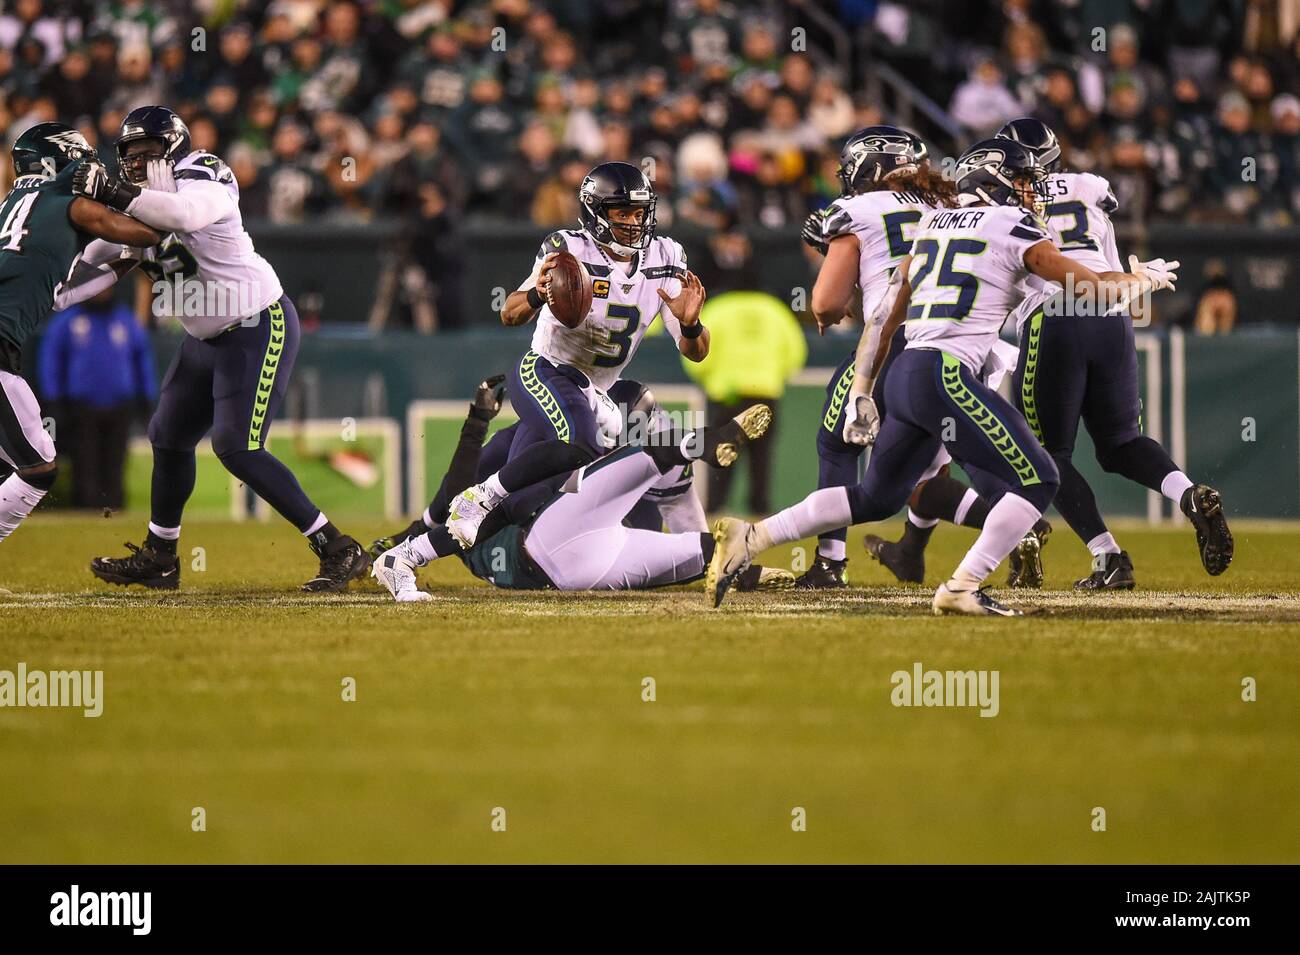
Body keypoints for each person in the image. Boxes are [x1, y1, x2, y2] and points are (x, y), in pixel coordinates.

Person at [707, 138, 1180, 616]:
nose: (1033, 191)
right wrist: (1143, 280)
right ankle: (963, 586)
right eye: (1022, 181)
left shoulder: (932, 225)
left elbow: (884, 319)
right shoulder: (1010, 224)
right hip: (946, 373)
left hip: (905, 373)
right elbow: (1090, 289)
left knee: (876, 496)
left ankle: (753, 536)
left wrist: (865, 391)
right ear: (994, 179)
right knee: (1039, 479)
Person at [68, 105, 369, 591]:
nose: (138, 164)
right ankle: (161, 557)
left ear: (173, 147)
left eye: (148, 152)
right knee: (167, 435)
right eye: (130, 155)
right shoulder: (134, 200)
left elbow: (184, 214)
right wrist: (46, 289)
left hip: (255, 323)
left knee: (236, 447)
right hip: (204, 335)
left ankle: (338, 546)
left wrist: (115, 193)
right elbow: (90, 265)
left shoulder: (202, 173)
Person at [797, 126, 1050, 589]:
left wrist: (831, 256)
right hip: (960, 348)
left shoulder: (854, 210)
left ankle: (830, 563)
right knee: (930, 476)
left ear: (869, 167)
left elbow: (827, 306)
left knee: (838, 446)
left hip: (893, 350)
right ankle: (1011, 525)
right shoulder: (951, 206)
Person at [1001, 117, 1234, 587]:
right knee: (1122, 443)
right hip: (1111, 312)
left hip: (1054, 311)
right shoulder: (1090, 185)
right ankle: (1189, 495)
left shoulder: (1006, 199)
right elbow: (1103, 257)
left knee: (1048, 456)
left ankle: (1108, 556)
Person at [452, 161, 708, 546]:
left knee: (659, 457)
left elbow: (697, 353)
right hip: (548, 372)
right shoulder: (569, 248)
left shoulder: (666, 256)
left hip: (602, 391)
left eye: (639, 212)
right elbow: (510, 313)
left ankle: (701, 553)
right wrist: (540, 293)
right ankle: (470, 506)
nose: (634, 222)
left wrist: (690, 324)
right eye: (622, 212)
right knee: (576, 446)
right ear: (597, 212)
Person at [371, 402, 790, 601]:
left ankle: (743, 569)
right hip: (546, 545)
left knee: (712, 551)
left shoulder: (531, 471)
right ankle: (706, 439)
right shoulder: (525, 461)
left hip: (572, 567)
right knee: (642, 453)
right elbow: (492, 505)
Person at [0, 122, 163, 545]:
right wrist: (135, 208)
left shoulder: (10, 208)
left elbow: (61, 295)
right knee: (37, 469)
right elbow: (151, 233)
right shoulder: (68, 203)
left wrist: (126, 261)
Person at [681, 286, 805, 514]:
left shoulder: (717, 309)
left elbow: (693, 352)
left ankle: (714, 510)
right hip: (765, 395)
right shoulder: (774, 309)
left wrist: (713, 381)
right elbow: (796, 353)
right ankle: (760, 512)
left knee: (721, 456)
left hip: (727, 397)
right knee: (761, 460)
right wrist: (773, 377)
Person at [37, 286, 157, 509]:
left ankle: (114, 506)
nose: (101, 293)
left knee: (116, 460)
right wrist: (54, 400)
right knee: (85, 460)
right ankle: (85, 507)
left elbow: (142, 360)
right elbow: (51, 362)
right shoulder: (68, 322)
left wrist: (146, 397)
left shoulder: (125, 320)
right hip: (82, 407)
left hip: (120, 405)